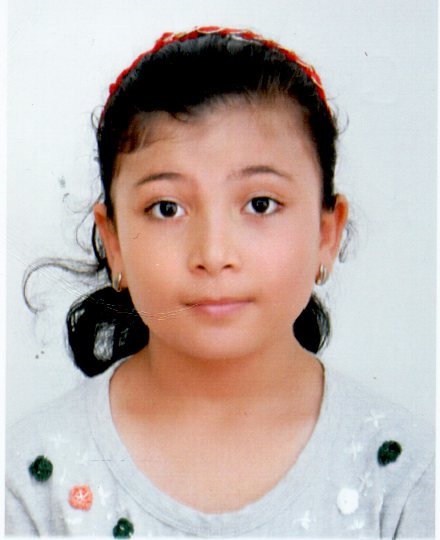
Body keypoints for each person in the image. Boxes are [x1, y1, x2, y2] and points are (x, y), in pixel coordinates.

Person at [6, 26, 434, 537]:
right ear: (113, 239)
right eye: (167, 208)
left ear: (327, 233)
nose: (213, 255)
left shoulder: (402, 472)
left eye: (260, 204)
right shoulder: (34, 475)